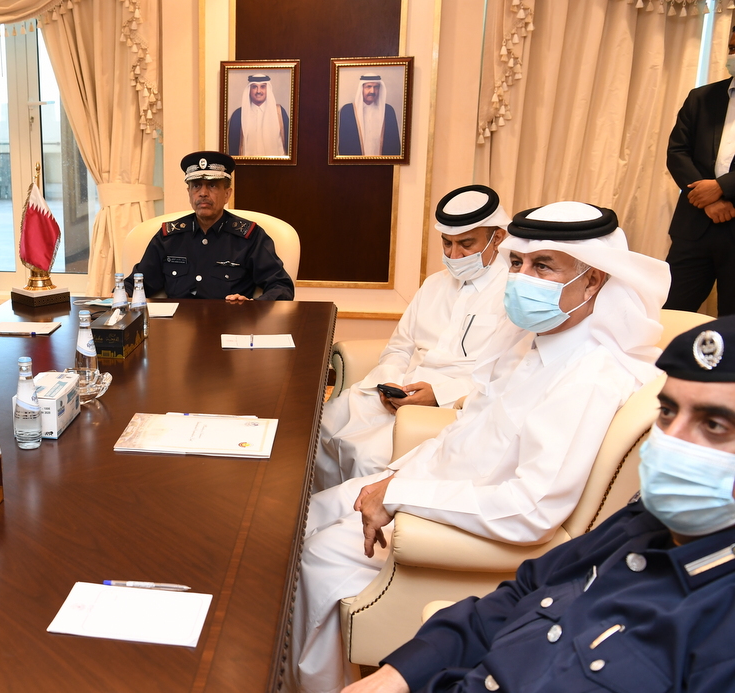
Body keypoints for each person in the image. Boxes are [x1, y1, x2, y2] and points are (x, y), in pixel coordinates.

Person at [290, 201, 671, 693]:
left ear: (593, 280)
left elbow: (531, 509)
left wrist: (399, 497)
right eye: (517, 263)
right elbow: (465, 433)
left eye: (543, 266)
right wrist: (393, 480)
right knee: (298, 516)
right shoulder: (529, 341)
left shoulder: (592, 376)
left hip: (460, 522)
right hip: (429, 483)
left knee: (313, 556)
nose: (521, 278)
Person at [348, 316, 735, 693]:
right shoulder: (643, 521)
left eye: (714, 425)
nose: (670, 440)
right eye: (667, 413)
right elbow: (519, 595)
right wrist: (395, 676)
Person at [314, 185, 512, 491]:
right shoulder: (434, 284)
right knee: (321, 426)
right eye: (447, 243)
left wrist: (439, 394)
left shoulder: (513, 294)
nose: (454, 255)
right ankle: (309, 516)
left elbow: (505, 376)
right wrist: (390, 381)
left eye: (466, 244)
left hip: (452, 405)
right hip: (398, 393)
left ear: (496, 238)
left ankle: (355, 527)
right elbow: (399, 347)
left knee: (368, 457)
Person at [125, 151, 294, 301]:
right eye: (196, 186)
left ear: (227, 194)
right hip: (177, 327)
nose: (203, 193)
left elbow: (281, 287)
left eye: (212, 185)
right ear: (189, 193)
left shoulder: (250, 236)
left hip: (230, 325)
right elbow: (139, 283)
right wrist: (121, 294)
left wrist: (253, 307)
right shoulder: (169, 236)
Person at [664, 26, 735, 316]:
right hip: (695, 225)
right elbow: (677, 151)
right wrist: (709, 199)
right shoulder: (703, 97)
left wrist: (723, 188)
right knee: (668, 312)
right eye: (732, 47)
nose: (733, 54)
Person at [338, 74, 401, 157]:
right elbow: (343, 142)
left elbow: (394, 142)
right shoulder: (348, 111)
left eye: (376, 87)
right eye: (368, 86)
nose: (372, 91)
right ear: (361, 88)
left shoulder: (388, 110)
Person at [227, 73, 290, 157]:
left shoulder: (279, 112)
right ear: (249, 90)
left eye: (262, 87)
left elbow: (289, 143)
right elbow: (233, 148)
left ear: (268, 89)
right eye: (254, 87)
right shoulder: (238, 115)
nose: (258, 91)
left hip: (276, 166)